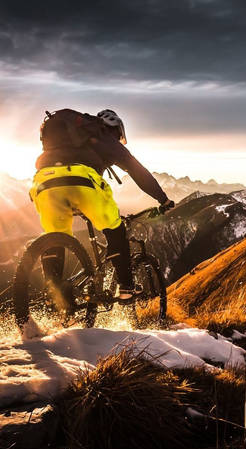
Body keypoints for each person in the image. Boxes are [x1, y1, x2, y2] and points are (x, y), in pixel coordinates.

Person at [30, 108, 173, 304]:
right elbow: (137, 170)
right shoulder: (104, 135)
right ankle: (126, 288)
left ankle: (52, 292)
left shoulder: (69, 134)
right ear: (116, 129)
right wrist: (163, 199)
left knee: (56, 236)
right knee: (115, 228)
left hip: (44, 184)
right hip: (83, 182)